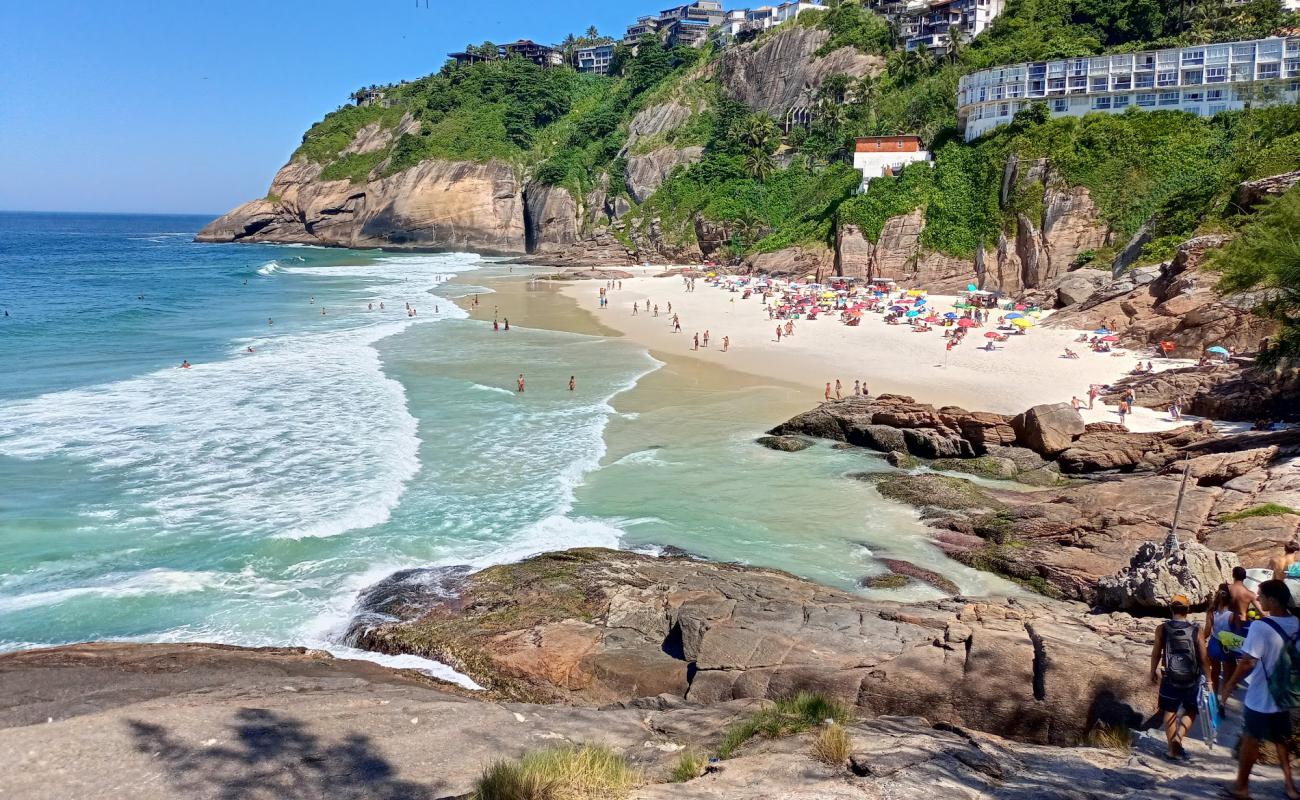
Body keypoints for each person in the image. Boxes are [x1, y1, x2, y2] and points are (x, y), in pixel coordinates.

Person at [1219, 579, 1300, 800]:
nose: (1258, 598)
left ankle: (1242, 788)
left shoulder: (1260, 626)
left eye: (1261, 595)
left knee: (1249, 739)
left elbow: (1248, 662)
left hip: (1261, 696)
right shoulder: (1297, 623)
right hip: (1285, 692)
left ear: (1272, 600)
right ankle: (1291, 786)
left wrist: (1229, 685)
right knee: (1281, 740)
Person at [1150, 594, 1211, 760]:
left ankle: (1172, 749)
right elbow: (1204, 657)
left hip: (1170, 677)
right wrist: (1210, 680)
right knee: (1191, 710)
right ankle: (1178, 738)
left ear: (1171, 608)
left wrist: (1152, 671)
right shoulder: (1196, 630)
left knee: (1169, 711)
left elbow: (1156, 653)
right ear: (1188, 610)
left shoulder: (1162, 629)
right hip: (1192, 678)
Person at [1203, 583, 1235, 694]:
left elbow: (1207, 631)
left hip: (1214, 644)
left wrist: (1199, 641)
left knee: (1215, 673)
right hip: (1228, 644)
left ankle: (1215, 696)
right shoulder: (1233, 614)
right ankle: (1224, 700)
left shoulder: (1211, 612)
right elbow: (1238, 632)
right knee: (1227, 674)